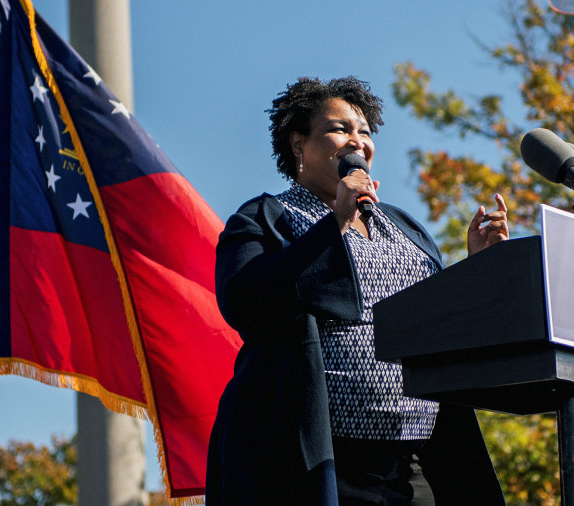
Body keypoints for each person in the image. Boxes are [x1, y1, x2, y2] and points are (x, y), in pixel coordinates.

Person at [205, 76, 509, 505]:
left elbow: (440, 322)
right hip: (314, 462)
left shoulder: (405, 228)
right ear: (298, 144)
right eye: (340, 128)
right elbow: (245, 302)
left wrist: (478, 267)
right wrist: (334, 225)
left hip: (413, 460)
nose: (357, 141)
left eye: (364, 132)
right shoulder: (264, 217)